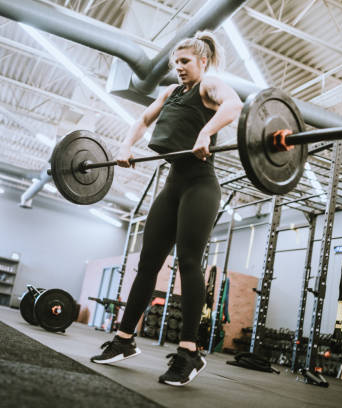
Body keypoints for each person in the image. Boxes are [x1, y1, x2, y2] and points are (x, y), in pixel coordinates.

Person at [90, 31, 243, 387]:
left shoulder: (210, 86)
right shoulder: (171, 93)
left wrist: (205, 134)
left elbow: (234, 106)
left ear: (202, 62)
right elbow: (143, 121)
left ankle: (189, 352)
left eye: (185, 62)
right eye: (176, 63)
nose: (179, 68)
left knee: (189, 263)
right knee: (146, 264)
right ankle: (124, 339)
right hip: (172, 185)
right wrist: (126, 146)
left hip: (201, 185)